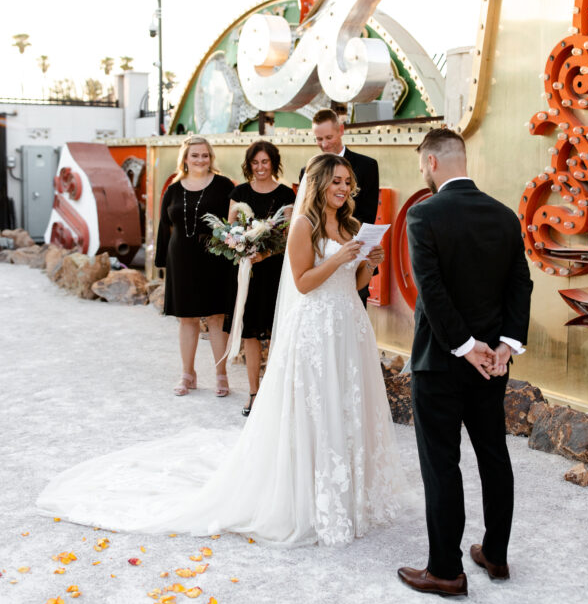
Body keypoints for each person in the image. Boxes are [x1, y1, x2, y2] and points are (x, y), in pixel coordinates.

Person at [36, 153, 408, 545]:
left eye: (347, 183)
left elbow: (355, 282)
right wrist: (341, 260)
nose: (343, 189)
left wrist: (369, 262)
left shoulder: (350, 225)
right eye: (336, 181)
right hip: (316, 327)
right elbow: (303, 283)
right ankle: (311, 493)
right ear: (318, 184)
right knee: (316, 407)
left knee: (345, 404)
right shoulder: (304, 225)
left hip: (348, 327)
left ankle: (349, 491)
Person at [397, 128, 533, 599]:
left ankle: (445, 570)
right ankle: (495, 554)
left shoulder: (422, 214)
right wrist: (505, 344)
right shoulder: (503, 215)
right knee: (494, 456)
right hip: (491, 364)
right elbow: (521, 283)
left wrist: (463, 345)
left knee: (442, 464)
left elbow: (430, 290)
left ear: (432, 163)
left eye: (421, 167)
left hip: (440, 362)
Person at [154, 135, 234, 397]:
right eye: (195, 155)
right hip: (181, 260)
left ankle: (221, 375)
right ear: (185, 158)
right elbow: (165, 227)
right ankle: (188, 374)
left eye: (205, 155)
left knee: (215, 318)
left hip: (214, 260)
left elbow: (234, 221)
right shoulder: (173, 189)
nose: (201, 159)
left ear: (211, 158)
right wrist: (161, 261)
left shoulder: (224, 186)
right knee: (186, 319)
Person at [223, 140, 295, 416]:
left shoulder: (286, 194)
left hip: (275, 271)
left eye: (265, 162)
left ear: (273, 163)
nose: (260, 167)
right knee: (251, 334)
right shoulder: (239, 192)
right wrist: (238, 242)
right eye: (255, 162)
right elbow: (230, 230)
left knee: (277, 333)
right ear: (249, 164)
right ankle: (253, 394)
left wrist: (266, 254)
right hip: (246, 272)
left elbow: (288, 235)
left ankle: (277, 395)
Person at [301, 108, 380, 305]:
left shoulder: (367, 166)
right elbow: (306, 213)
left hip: (355, 255)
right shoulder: (308, 171)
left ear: (341, 131)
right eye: (319, 139)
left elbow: (367, 215)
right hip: (318, 255)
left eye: (329, 137)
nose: (324, 144)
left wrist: (349, 249)